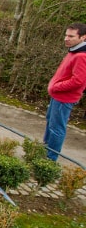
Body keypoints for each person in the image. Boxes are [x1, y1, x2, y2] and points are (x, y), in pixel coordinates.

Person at [43, 23, 86, 161]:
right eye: (66, 35)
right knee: (50, 123)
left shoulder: (81, 56)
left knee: (57, 129)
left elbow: (78, 81)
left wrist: (56, 87)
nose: (66, 38)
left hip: (64, 98)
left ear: (83, 37)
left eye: (71, 36)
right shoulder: (73, 51)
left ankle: (50, 159)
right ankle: (44, 149)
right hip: (57, 96)